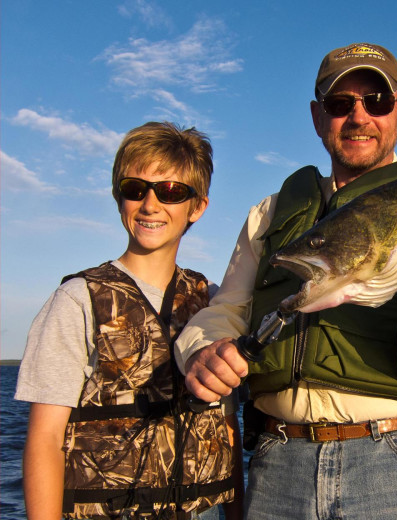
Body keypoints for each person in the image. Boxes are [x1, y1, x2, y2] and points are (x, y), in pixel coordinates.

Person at [176, 43, 397, 520]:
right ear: (319, 118)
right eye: (340, 105)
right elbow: (227, 310)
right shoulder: (271, 213)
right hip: (280, 467)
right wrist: (201, 347)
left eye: (377, 101)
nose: (359, 117)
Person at [15, 122, 244, 520]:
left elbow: (227, 428)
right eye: (135, 189)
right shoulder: (78, 300)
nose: (151, 205)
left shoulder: (213, 302)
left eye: (172, 191)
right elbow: (45, 438)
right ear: (119, 197)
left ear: (198, 207)